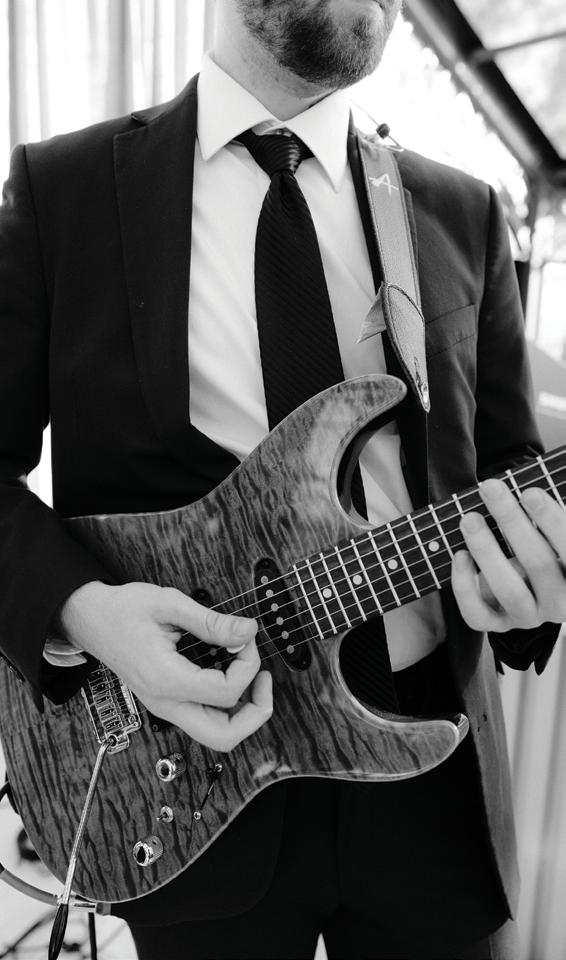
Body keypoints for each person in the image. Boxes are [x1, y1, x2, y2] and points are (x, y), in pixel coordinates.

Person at [0, 0, 565, 957]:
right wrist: (83, 614)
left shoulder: (461, 210)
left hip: (429, 786)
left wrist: (529, 587)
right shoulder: (66, 190)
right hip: (182, 780)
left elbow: (512, 471)